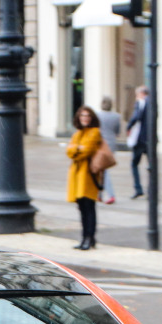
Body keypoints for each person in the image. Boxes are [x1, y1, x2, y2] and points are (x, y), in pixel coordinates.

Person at [66, 106, 103, 251]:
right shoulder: (77, 133)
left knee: (89, 207)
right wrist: (77, 148)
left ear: (92, 117)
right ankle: (86, 238)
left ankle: (89, 237)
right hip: (77, 174)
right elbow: (69, 151)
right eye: (82, 116)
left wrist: (77, 149)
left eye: (87, 116)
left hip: (89, 175)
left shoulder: (95, 132)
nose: (85, 118)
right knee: (81, 207)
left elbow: (87, 150)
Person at [96, 96, 121, 204]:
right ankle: (99, 194)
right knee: (102, 169)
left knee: (103, 169)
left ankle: (111, 195)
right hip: (112, 144)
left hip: (101, 145)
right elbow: (117, 131)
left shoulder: (98, 115)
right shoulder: (116, 116)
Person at [126, 86, 148, 199]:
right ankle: (151, 190)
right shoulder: (152, 103)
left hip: (140, 139)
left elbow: (136, 117)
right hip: (150, 139)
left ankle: (138, 188)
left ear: (141, 94)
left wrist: (128, 127)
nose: (136, 97)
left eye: (136, 95)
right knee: (151, 166)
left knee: (134, 164)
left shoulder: (141, 102)